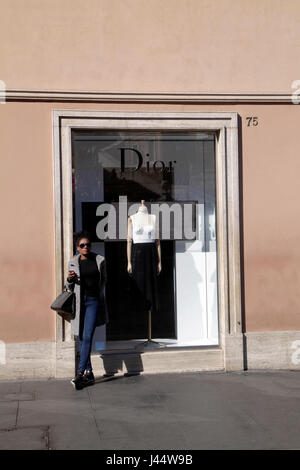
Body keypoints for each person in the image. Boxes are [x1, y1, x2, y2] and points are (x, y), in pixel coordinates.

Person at [66, 230, 108, 390]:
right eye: (82, 245)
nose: (86, 247)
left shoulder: (99, 260)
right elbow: (69, 286)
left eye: (88, 245)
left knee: (88, 335)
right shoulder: (73, 262)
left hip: (93, 302)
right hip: (79, 303)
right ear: (77, 248)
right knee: (82, 338)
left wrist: (98, 294)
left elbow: (104, 279)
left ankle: (79, 373)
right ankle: (89, 372)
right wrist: (69, 280)